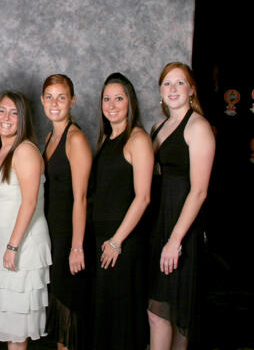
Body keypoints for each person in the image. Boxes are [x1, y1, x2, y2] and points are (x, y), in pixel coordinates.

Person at [148, 62, 215, 350]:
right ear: (160, 92)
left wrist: (174, 241)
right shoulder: (159, 126)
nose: (173, 89)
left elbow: (199, 191)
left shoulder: (198, 127)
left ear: (191, 90)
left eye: (179, 83)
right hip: (158, 222)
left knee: (164, 311)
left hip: (180, 228)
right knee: (162, 310)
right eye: (167, 83)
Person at [0, 91, 51, 350]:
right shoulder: (2, 150)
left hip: (23, 244)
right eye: (1, 110)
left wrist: (13, 246)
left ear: (23, 118)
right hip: (3, 242)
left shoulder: (25, 150)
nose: (6, 117)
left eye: (14, 112)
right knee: (9, 325)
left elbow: (30, 202)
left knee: (18, 327)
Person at [90, 73, 153, 349]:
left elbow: (143, 197)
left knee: (122, 318)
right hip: (101, 239)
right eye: (107, 98)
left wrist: (117, 241)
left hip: (122, 241)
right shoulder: (106, 138)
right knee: (105, 314)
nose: (111, 105)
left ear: (130, 102)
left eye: (119, 98)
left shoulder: (137, 139)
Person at [40, 74, 93, 350]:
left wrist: (76, 247)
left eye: (62, 97)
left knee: (68, 306)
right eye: (49, 96)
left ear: (72, 100)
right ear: (42, 100)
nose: (55, 103)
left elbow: (81, 198)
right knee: (56, 303)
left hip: (69, 235)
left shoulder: (76, 139)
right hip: (51, 232)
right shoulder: (50, 136)